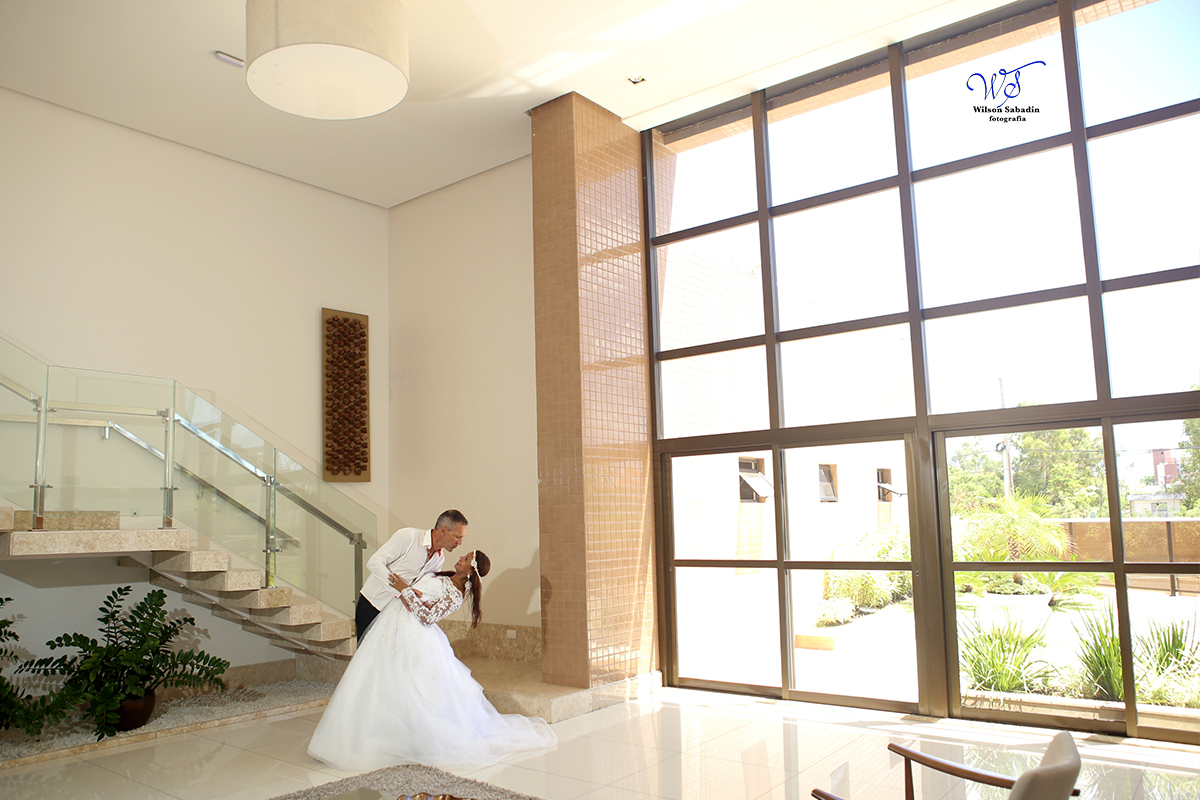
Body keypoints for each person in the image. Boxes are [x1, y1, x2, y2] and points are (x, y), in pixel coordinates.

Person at [308, 550, 558, 772]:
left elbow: (427, 618)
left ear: (471, 571)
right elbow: (420, 599)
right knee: (377, 679)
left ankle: (402, 739)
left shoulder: (456, 594)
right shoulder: (444, 577)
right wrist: (411, 592)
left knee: (410, 686)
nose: (460, 557)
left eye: (465, 558)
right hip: (393, 625)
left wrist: (406, 591)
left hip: (414, 635)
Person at [355, 509, 467, 644]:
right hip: (373, 604)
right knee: (367, 657)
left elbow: (424, 585)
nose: (460, 543)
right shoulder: (409, 536)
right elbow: (374, 562)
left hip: (396, 614)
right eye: (457, 537)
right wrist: (400, 590)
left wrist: (426, 602)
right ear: (443, 531)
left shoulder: (439, 559)